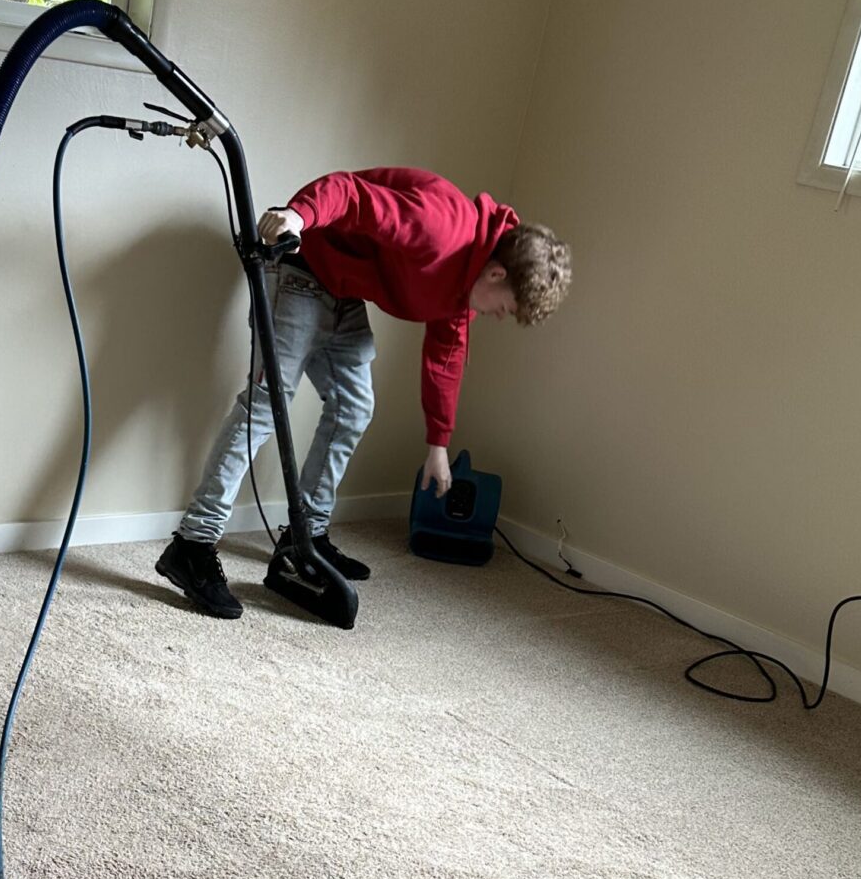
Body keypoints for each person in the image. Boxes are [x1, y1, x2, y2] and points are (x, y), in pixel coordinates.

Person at [154, 167, 572, 618]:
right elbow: (351, 195)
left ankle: (304, 539)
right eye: (505, 308)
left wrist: (438, 444)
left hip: (343, 293)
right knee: (264, 408)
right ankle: (193, 545)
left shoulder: (463, 287)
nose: (499, 316)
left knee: (354, 409)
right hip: (301, 272)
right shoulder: (439, 226)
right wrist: (299, 216)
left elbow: (446, 357)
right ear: (495, 274)